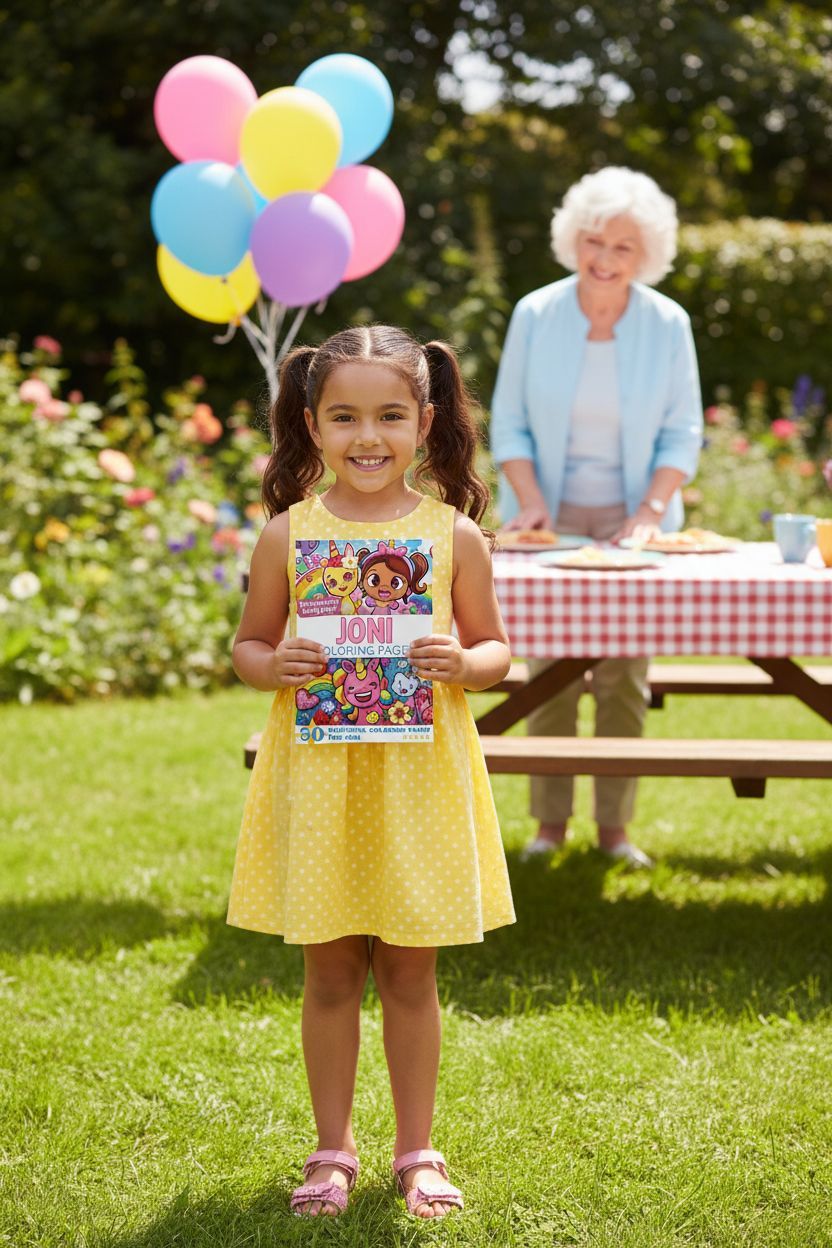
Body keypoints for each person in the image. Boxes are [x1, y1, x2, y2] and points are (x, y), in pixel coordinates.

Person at [228, 325, 515, 1219]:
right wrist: (270, 665)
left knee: (409, 974)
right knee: (329, 974)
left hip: (417, 777)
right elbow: (248, 641)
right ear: (311, 426)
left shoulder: (451, 535)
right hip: (321, 780)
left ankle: (417, 1150)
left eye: (390, 415)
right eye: (345, 416)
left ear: (426, 423)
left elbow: (498, 647)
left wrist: (464, 665)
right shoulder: (289, 535)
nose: (368, 436)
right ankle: (332, 1149)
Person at [490, 166, 703, 867]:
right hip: (549, 513)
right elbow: (510, 421)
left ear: (647, 257)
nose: (604, 259)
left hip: (635, 519)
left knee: (623, 676)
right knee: (550, 669)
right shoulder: (536, 313)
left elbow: (682, 433)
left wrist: (647, 512)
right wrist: (529, 499)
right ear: (571, 240)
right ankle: (549, 825)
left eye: (623, 248)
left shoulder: (668, 323)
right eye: (593, 241)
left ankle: (615, 830)